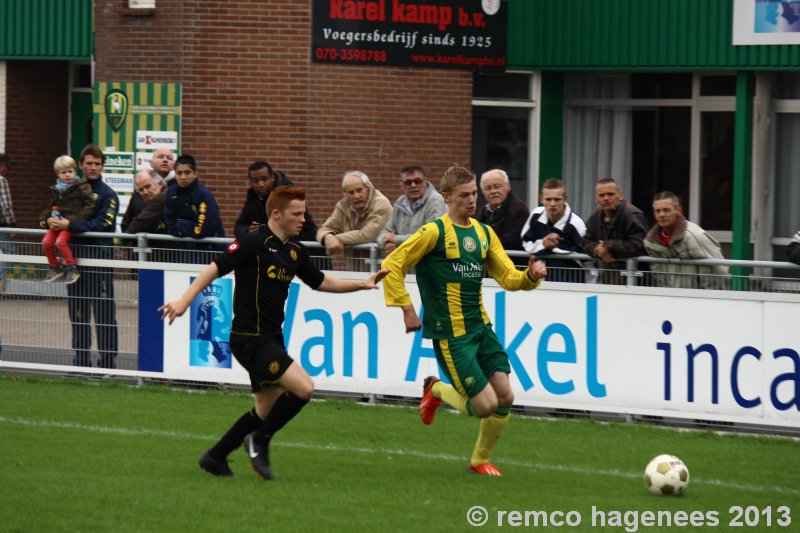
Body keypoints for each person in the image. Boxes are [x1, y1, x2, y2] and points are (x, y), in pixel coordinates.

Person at [159, 186, 389, 480]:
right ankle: (259, 441)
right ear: (277, 214)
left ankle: (215, 457)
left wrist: (362, 284)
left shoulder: (295, 251)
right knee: (304, 388)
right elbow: (215, 268)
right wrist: (185, 300)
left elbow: (319, 281)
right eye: (296, 213)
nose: (303, 219)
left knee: (265, 411)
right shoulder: (253, 242)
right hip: (249, 339)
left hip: (271, 338)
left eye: (303, 213)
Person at [381, 165, 547, 477]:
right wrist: (406, 307)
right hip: (451, 335)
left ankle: (478, 461)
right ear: (446, 197)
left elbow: (509, 278)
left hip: (481, 329)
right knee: (484, 406)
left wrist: (530, 276)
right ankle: (437, 389)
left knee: (506, 397)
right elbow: (393, 262)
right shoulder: (434, 232)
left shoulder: (484, 233)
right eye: (464, 195)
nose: (472, 201)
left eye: (474, 194)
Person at [47, 144, 119, 368]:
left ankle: (107, 365)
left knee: (104, 314)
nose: (94, 168)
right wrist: (51, 220)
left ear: (102, 166)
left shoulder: (108, 194)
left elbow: (103, 225)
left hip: (100, 260)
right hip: (75, 261)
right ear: (81, 165)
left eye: (98, 164)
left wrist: (72, 224)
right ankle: (80, 363)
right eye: (89, 163)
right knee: (78, 313)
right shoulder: (69, 190)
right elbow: (56, 213)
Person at [643, 191, 729, 289]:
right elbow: (658, 276)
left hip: (700, 299)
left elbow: (717, 269)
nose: (661, 215)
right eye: (657, 211)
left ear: (678, 211)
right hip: (671, 298)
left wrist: (709, 298)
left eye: (667, 210)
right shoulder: (651, 242)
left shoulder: (695, 236)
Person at [316, 170, 392, 270]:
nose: (356, 196)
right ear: (345, 194)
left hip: (382, 271)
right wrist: (327, 237)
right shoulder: (343, 206)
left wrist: (335, 239)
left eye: (359, 190)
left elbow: (367, 235)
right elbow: (323, 229)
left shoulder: (381, 203)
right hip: (354, 271)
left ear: (368, 188)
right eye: (351, 192)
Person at [580, 178, 649, 285]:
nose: (606, 198)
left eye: (610, 194)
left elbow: (641, 245)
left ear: (621, 195)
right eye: (602, 195)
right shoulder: (596, 215)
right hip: (608, 278)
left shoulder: (632, 215)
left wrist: (609, 246)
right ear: (596, 199)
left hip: (636, 280)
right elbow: (585, 242)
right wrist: (599, 250)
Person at [39, 155, 96, 284]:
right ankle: (55, 266)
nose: (67, 175)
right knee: (46, 242)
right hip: (58, 222)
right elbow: (51, 205)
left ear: (75, 171)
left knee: (60, 242)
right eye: (63, 173)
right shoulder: (57, 189)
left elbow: (90, 204)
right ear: (58, 174)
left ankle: (71, 268)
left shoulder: (82, 185)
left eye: (70, 171)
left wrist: (76, 220)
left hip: (71, 222)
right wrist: (44, 218)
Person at [521, 178, 587, 283]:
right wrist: (543, 244)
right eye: (548, 199)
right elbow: (525, 243)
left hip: (571, 284)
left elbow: (589, 262)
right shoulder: (535, 215)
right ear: (541, 199)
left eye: (557, 199)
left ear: (565, 199)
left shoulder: (577, 225)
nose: (552, 204)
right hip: (540, 283)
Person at [233, 160, 317, 241]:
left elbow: (305, 229)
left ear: (272, 177)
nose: (261, 184)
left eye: (265, 179)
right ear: (251, 182)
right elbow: (239, 226)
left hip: (293, 247)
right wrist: (248, 230)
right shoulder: (253, 197)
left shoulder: (289, 195)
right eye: (255, 181)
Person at [163, 154, 226, 261]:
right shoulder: (171, 192)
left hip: (208, 252)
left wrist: (181, 224)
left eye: (187, 172)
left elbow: (203, 230)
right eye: (179, 173)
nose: (183, 177)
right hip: (181, 252)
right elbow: (169, 223)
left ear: (195, 173)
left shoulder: (203, 195)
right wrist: (187, 226)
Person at [376, 165, 446, 254]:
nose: (413, 185)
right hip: (408, 264)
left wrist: (396, 239)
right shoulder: (400, 203)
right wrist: (386, 242)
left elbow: (429, 237)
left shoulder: (436, 202)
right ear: (402, 185)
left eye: (417, 181)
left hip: (431, 263)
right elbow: (385, 231)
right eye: (408, 182)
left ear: (425, 182)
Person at [477, 169, 529, 265]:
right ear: (483, 192)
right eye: (488, 188)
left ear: (508, 187)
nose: (493, 191)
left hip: (513, 268)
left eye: (497, 186)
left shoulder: (518, 209)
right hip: (490, 269)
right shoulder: (483, 212)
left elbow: (510, 241)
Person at [121, 170, 167, 234]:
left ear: (160, 184)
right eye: (141, 190)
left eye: (148, 186)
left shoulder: (168, 198)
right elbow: (125, 224)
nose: (145, 192)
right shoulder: (136, 198)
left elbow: (139, 223)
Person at [0, 154, 16, 293]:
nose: (8, 170)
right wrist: (12, 225)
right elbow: (5, 205)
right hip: (1, 224)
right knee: (10, 251)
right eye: (7, 166)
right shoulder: (1, 180)